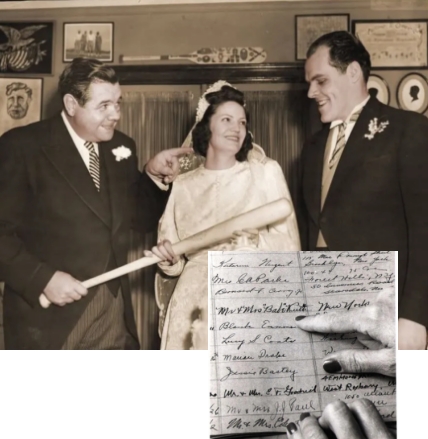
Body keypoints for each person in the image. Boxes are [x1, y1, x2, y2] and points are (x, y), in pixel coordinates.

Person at [0, 58, 190, 350]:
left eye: (118, 103)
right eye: (104, 106)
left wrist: (151, 177)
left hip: (112, 311)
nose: (115, 114)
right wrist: (43, 279)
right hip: (49, 318)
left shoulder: (122, 146)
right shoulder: (21, 146)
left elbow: (136, 220)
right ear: (71, 104)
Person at [299, 30, 428, 350]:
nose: (311, 92)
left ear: (353, 72)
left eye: (321, 81)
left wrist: (415, 318)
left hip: (389, 316)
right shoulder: (312, 148)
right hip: (328, 314)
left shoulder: (407, 130)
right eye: (309, 83)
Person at [148, 81, 301, 350]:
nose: (237, 128)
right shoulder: (182, 185)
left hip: (248, 292)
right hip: (191, 301)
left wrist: (249, 248)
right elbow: (174, 261)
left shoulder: (265, 172)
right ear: (206, 127)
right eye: (227, 119)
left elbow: (289, 248)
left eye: (242, 122)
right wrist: (168, 259)